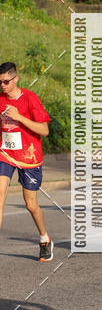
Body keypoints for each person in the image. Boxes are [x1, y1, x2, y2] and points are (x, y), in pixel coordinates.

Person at [0, 62, 53, 261]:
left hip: (29, 157)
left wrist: (20, 117)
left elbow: (44, 130)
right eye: (0, 82)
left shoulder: (30, 99)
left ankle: (44, 239)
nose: (3, 85)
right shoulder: (0, 99)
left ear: (15, 79)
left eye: (6, 81)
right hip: (5, 154)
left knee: (31, 205)